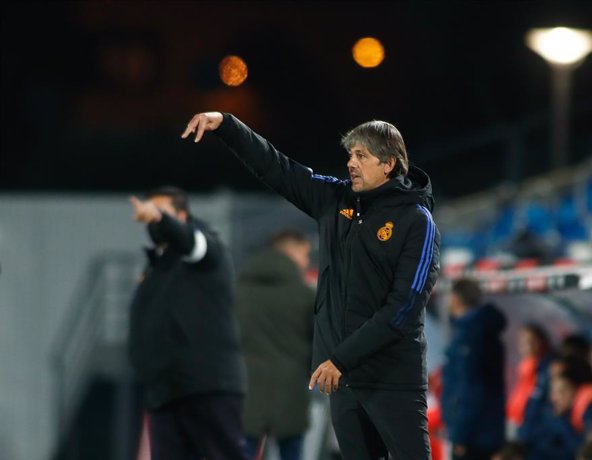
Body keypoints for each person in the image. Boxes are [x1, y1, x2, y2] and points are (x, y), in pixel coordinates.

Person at [182, 112, 441, 459]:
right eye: (350, 155)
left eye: (361, 156)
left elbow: (404, 308)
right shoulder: (334, 201)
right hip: (344, 382)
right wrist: (228, 127)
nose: (350, 163)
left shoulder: (417, 221)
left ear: (389, 164)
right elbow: (279, 168)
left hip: (392, 380)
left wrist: (341, 358)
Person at [128, 187, 247, 460]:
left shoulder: (205, 249)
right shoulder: (156, 267)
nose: (153, 221)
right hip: (164, 391)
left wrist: (160, 218)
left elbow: (192, 242)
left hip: (206, 387)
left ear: (181, 216)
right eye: (151, 215)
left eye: (162, 214)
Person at [235, 230, 315, 460]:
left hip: (245, 389)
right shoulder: (304, 295)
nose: (306, 261)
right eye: (304, 254)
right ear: (290, 252)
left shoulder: (238, 291)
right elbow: (317, 342)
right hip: (291, 392)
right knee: (291, 452)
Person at [441, 278, 506, 460]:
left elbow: (470, 388)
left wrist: (460, 433)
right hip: (485, 430)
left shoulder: (470, 335)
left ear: (456, 299)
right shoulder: (482, 329)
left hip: (474, 434)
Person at [508, 323, 552, 438]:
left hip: (532, 429)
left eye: (532, 340)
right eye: (523, 342)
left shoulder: (546, 368)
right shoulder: (525, 367)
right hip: (517, 422)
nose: (528, 345)